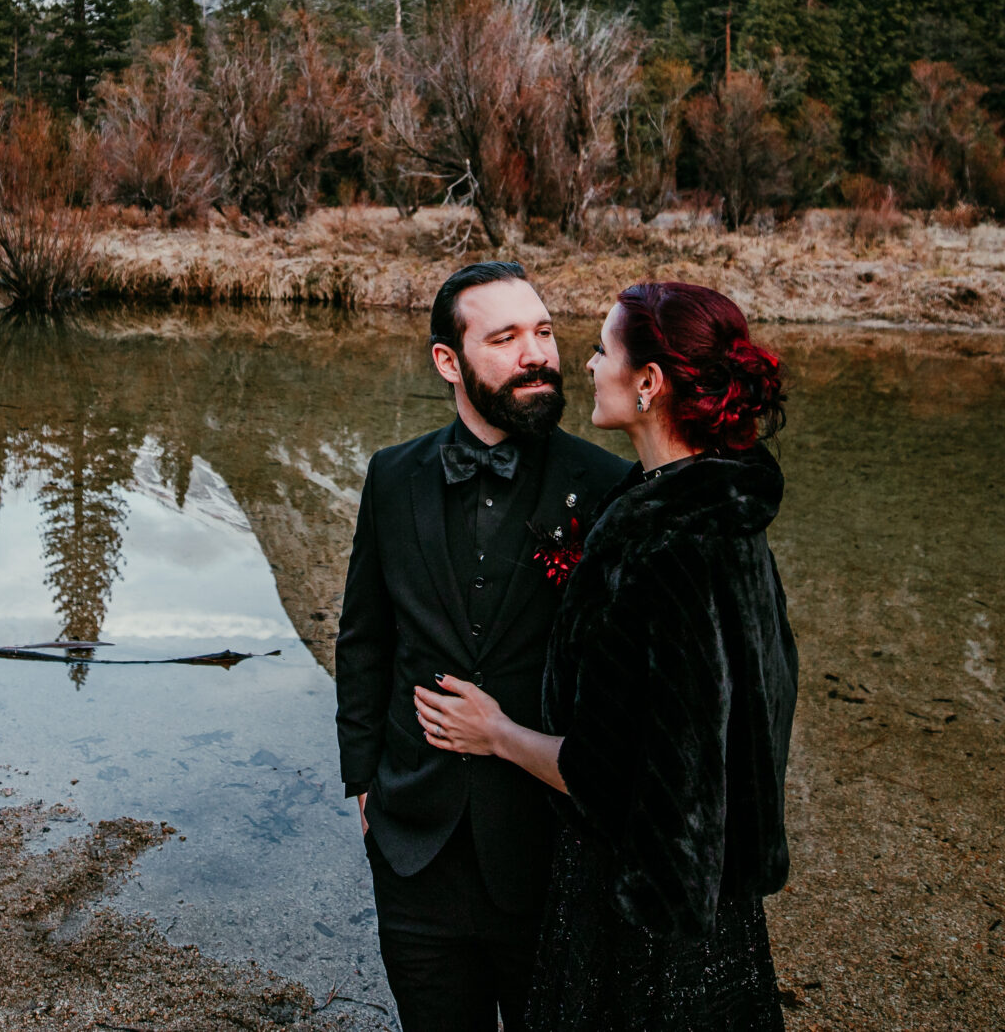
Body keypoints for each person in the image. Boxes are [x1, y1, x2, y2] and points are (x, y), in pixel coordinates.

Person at [412, 281, 798, 1032]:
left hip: (643, 915)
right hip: (714, 898)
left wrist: (496, 733)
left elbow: (615, 776)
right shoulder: (723, 514)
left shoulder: (665, 547)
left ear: (648, 382)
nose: (583, 365)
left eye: (600, 349)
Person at [335, 261, 632, 1032]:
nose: (536, 353)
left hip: (547, 854)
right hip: (413, 847)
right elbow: (364, 636)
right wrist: (364, 784)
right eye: (504, 338)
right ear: (449, 361)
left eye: (543, 332)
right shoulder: (391, 475)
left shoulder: (607, 484)